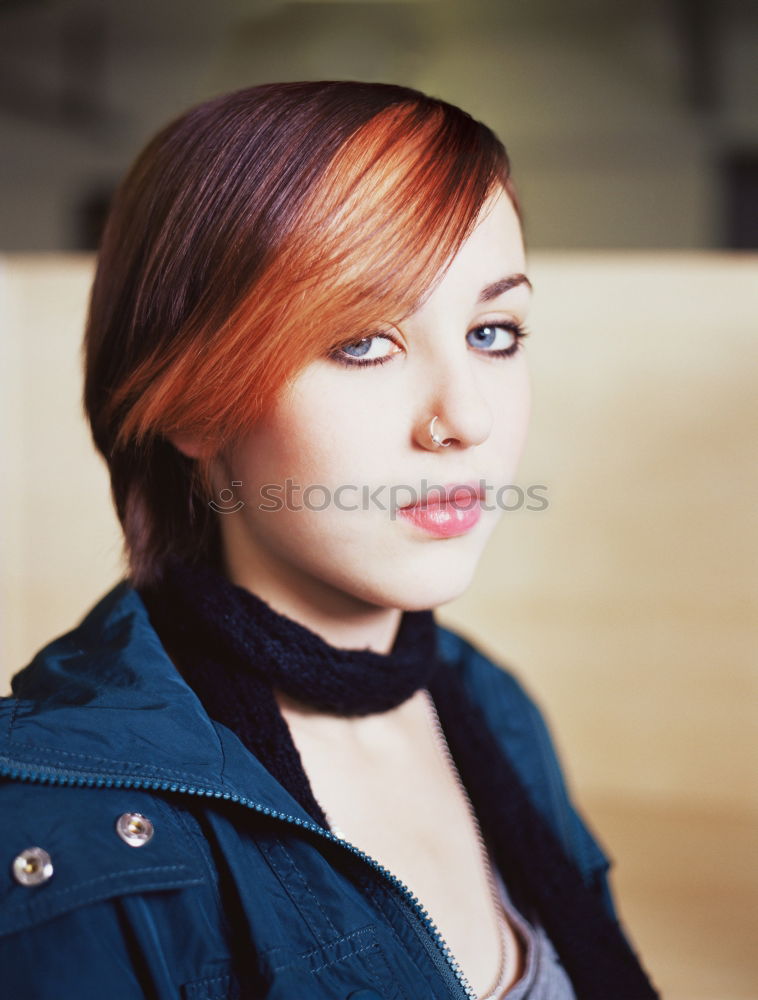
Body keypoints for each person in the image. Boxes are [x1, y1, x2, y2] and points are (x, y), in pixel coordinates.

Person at [0, 81, 659, 999]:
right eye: (363, 342)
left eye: (493, 331)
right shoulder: (63, 827)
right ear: (193, 399)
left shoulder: (489, 702)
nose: (462, 417)